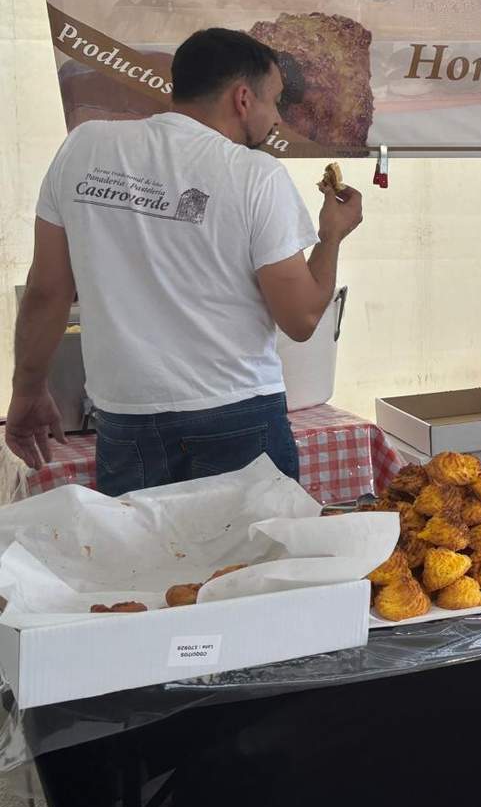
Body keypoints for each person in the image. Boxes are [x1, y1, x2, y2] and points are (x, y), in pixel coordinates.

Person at [6, 28, 363, 492]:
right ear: (242, 99)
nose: (276, 118)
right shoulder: (255, 175)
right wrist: (331, 236)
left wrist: (29, 388)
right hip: (237, 411)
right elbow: (301, 318)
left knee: (145, 562)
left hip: (125, 418)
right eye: (273, 101)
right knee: (252, 562)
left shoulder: (83, 148)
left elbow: (47, 290)